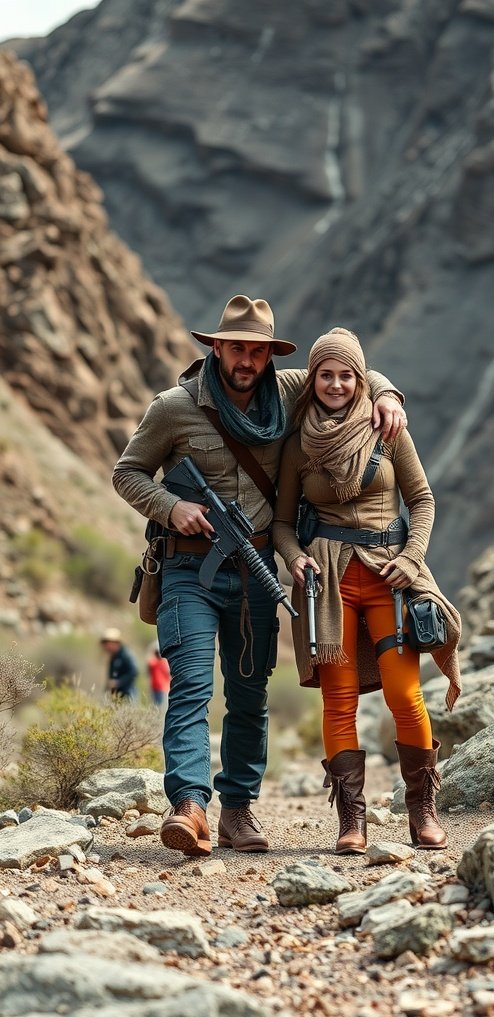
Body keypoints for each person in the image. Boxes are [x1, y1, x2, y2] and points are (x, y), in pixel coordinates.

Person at [112, 294, 407, 858]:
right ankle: (191, 806)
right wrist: (171, 508)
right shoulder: (174, 407)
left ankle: (238, 811)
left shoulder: (292, 390)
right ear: (217, 347)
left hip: (254, 571)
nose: (246, 360)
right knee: (193, 687)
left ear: (270, 354)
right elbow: (127, 473)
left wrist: (389, 394)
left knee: (249, 695)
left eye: (257, 350)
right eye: (237, 347)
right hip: (186, 567)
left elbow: (350, 371)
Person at [272, 327, 461, 855]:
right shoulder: (297, 447)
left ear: (361, 380)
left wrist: (412, 557)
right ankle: (350, 823)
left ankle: (422, 812)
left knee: (405, 695)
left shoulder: (388, 429)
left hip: (388, 576)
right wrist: (295, 558)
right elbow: (283, 523)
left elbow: (421, 499)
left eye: (346, 375)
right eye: (326, 375)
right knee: (338, 703)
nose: (335, 384)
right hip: (327, 584)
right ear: (312, 380)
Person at [100, 627, 139, 700]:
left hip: (127, 694)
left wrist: (118, 682)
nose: (105, 647)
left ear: (115, 642)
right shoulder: (114, 656)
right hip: (116, 696)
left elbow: (134, 672)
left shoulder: (126, 654)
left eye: (107, 643)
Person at [147, 643, 171, 709]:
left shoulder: (163, 663)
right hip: (155, 688)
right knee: (155, 707)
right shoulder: (154, 663)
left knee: (161, 708)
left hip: (162, 689)